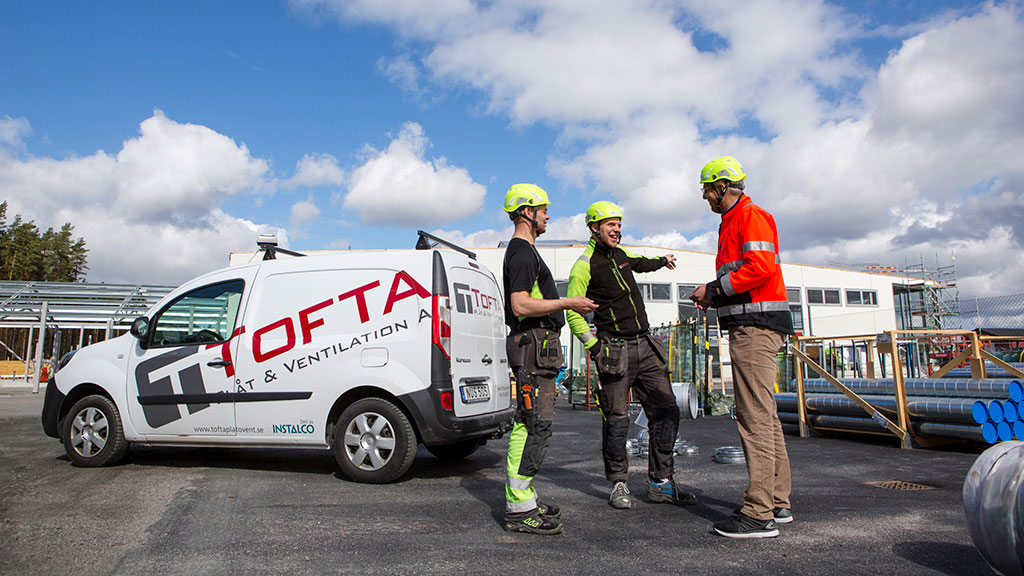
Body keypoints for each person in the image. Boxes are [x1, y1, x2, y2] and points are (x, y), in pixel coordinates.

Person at [565, 200, 697, 510]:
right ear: (594, 228)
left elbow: (640, 263)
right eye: (611, 225)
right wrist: (594, 347)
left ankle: (660, 483)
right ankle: (618, 484)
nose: (617, 230)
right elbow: (572, 312)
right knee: (617, 420)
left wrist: (662, 261)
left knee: (667, 411)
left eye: (619, 224)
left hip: (646, 346)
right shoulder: (584, 265)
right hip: (614, 350)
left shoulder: (621, 256)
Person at [689, 156, 795, 539]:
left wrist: (713, 291)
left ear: (722, 187)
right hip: (755, 325)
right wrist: (715, 296)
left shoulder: (750, 216)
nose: (705, 197)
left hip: (755, 329)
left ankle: (758, 513)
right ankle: (776, 501)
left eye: (707, 190)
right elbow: (746, 275)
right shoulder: (735, 220)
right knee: (765, 416)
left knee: (754, 417)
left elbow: (760, 267)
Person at [501, 183, 598, 535]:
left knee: (533, 422)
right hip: (533, 345)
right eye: (543, 210)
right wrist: (569, 302)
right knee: (532, 423)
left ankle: (525, 499)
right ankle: (519, 510)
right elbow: (520, 305)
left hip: (537, 346)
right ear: (527, 212)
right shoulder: (522, 253)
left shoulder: (526, 251)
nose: (547, 216)